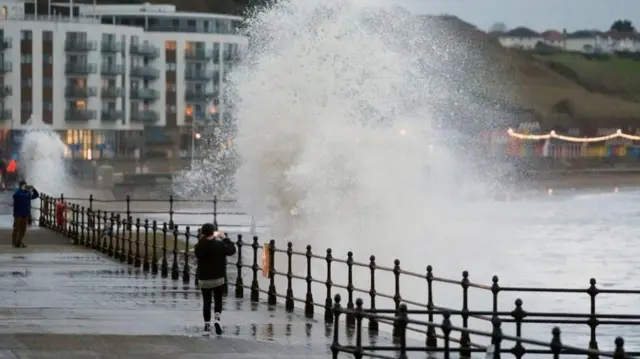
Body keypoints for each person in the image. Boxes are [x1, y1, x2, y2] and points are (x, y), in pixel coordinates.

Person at [194, 223, 236, 335]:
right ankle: (217, 320)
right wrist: (225, 238)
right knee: (218, 300)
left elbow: (199, 253)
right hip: (218, 277)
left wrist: (201, 238)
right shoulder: (219, 245)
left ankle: (207, 326)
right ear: (213, 232)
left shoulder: (199, 246)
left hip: (204, 278)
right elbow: (232, 250)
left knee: (206, 301)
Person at [12, 180, 39, 248]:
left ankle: (19, 242)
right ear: (20, 186)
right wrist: (21, 189)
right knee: (16, 228)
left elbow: (36, 195)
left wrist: (33, 188)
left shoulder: (27, 193)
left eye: (25, 185)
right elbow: (15, 196)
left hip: (25, 214)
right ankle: (14, 243)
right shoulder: (17, 192)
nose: (25, 186)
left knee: (23, 230)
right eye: (24, 185)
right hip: (18, 214)